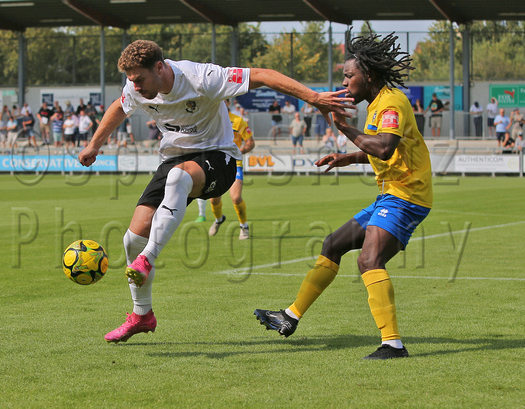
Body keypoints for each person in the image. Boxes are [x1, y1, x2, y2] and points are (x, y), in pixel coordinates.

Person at [77, 39, 352, 344]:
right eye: (130, 81)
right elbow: (119, 107)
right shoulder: (136, 89)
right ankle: (142, 316)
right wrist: (94, 144)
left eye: (139, 79)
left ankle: (148, 258)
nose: (135, 87)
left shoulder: (201, 77)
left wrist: (313, 97)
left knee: (177, 182)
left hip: (218, 158)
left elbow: (260, 75)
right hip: (174, 160)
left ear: (159, 67)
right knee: (133, 239)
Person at [254, 27, 432, 360]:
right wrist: (345, 157)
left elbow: (383, 148)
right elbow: (380, 149)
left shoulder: (391, 102)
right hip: (391, 194)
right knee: (333, 244)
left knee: (369, 260)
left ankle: (392, 344)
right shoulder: (378, 103)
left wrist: (344, 128)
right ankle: (290, 316)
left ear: (369, 75)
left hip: (407, 195)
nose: (345, 82)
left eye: (349, 76)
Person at [207, 99, 256, 239]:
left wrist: (239, 151)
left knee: (235, 197)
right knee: (213, 200)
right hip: (216, 164)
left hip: (235, 164)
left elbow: (251, 143)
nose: (222, 102)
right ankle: (218, 219)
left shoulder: (238, 121)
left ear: (228, 103)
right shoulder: (210, 119)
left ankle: (243, 226)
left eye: (225, 100)